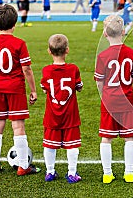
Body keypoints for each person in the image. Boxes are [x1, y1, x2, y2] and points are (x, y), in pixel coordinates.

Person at [0, 4, 40, 176]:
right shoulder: (19, 43)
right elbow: (27, 69)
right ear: (14, 23)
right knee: (18, 127)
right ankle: (23, 166)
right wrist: (33, 90)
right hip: (15, 88)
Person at [94, 15, 133, 184]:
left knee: (106, 138)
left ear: (105, 34)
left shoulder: (103, 55)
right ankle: (128, 172)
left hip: (109, 100)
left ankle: (107, 173)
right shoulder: (131, 53)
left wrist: (104, 95)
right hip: (126, 99)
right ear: (123, 32)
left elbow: (100, 81)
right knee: (129, 137)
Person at [41, 34, 83, 183]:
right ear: (67, 50)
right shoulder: (73, 69)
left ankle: (50, 171)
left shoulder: (46, 71)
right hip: (70, 114)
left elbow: (45, 89)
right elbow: (79, 87)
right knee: (72, 144)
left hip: (52, 114)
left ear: (49, 51)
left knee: (50, 143)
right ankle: (72, 173)